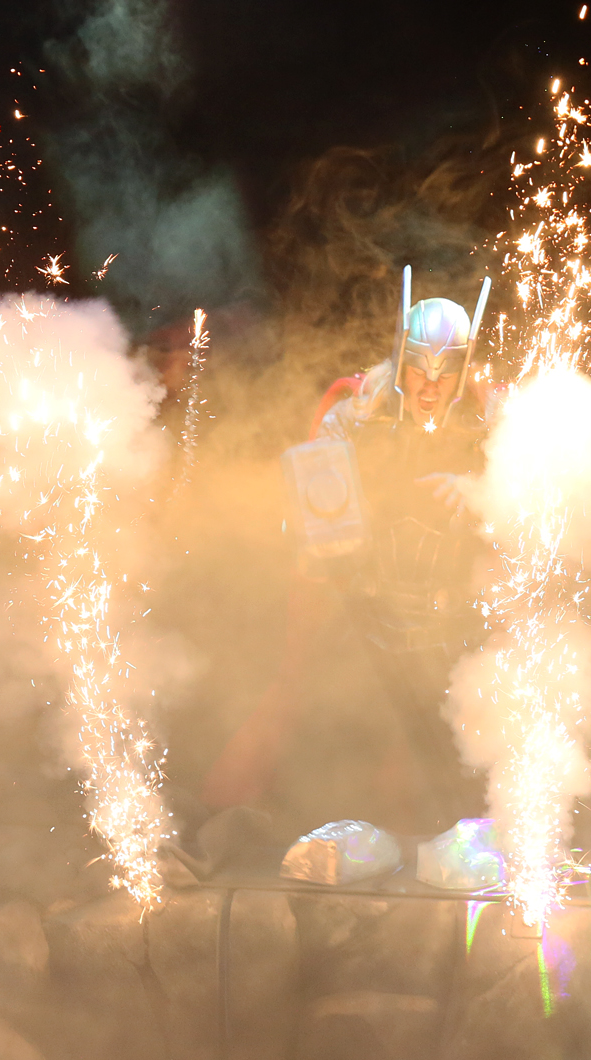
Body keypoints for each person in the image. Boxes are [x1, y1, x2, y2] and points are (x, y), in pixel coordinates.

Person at [200, 268, 494, 832]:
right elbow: (314, 503)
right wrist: (351, 515)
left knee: (426, 737)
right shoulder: (358, 410)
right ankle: (224, 817)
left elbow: (531, 504)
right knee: (298, 699)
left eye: (445, 372)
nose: (430, 387)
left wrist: (478, 493)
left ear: (463, 367)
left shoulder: (488, 417)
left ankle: (419, 837)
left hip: (445, 605)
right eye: (419, 368)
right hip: (358, 593)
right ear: (401, 358)